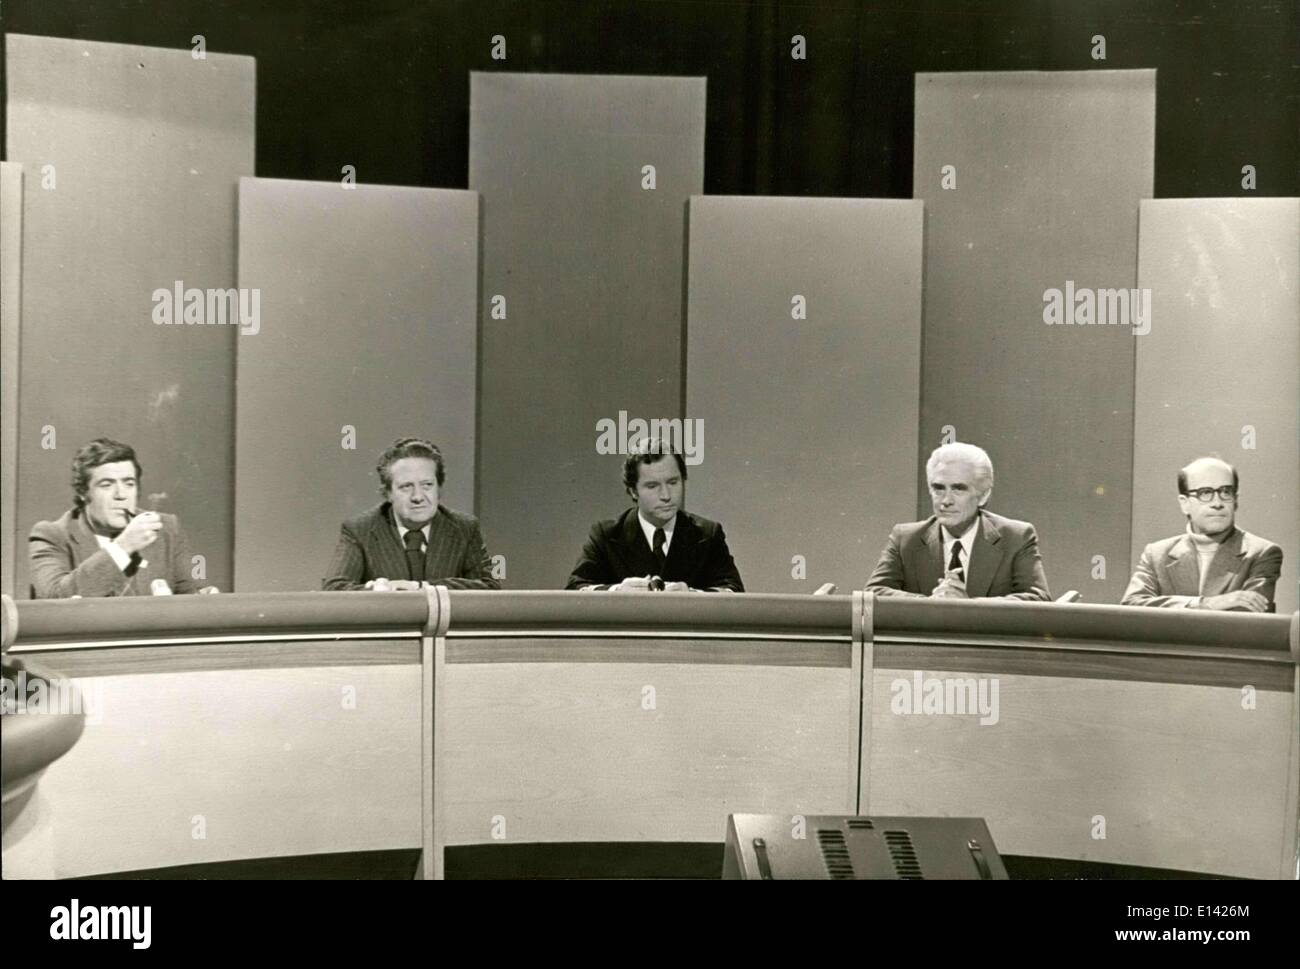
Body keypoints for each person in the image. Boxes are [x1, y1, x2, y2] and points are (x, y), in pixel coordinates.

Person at [29, 437, 217, 598]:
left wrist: (205, 596)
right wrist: (123, 547)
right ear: (83, 493)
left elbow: (193, 593)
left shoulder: (166, 528)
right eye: (107, 485)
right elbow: (54, 598)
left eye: (129, 484)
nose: (121, 494)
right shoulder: (51, 535)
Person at [866, 442, 1050, 600]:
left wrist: (966, 606)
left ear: (983, 495)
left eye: (958, 489)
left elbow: (1037, 599)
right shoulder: (906, 538)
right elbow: (874, 592)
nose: (946, 500)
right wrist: (930, 603)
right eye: (938, 489)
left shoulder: (1016, 538)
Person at [323, 437, 500, 591]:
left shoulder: (465, 528)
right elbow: (334, 587)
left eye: (427, 485)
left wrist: (423, 588)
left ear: (439, 488)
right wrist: (380, 590)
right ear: (388, 493)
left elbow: (489, 586)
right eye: (406, 487)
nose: (417, 497)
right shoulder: (359, 530)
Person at [566, 439, 743, 592]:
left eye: (673, 482)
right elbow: (576, 588)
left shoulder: (708, 534)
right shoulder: (606, 535)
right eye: (652, 486)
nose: (666, 495)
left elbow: (733, 590)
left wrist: (693, 594)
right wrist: (617, 591)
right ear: (633, 491)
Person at [1122, 457, 1282, 611]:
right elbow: (1132, 605)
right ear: (1184, 504)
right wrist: (1204, 603)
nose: (1218, 503)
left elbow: (1248, 616)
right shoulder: (1156, 554)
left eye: (1226, 492)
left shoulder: (1263, 553)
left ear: (1236, 500)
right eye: (1205, 493)